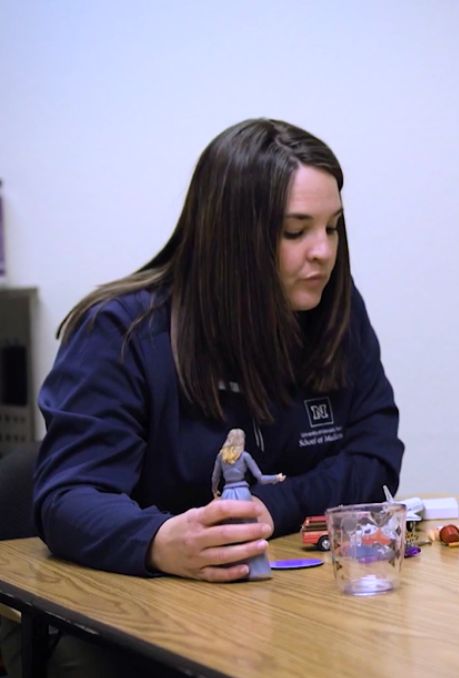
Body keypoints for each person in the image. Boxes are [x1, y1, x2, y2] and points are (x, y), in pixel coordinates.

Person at [33, 118, 405, 582]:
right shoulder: (119, 331)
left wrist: (275, 507)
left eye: (332, 228)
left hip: (298, 594)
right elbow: (68, 497)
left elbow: (375, 454)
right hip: (155, 607)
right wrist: (156, 541)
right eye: (295, 231)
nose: (323, 252)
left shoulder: (335, 310)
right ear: (231, 239)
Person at [211, 428, 286, 580]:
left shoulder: (221, 456)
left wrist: (214, 492)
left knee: (230, 533)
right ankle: (256, 570)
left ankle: (230, 567)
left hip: (227, 495)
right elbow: (260, 477)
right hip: (243, 494)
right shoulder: (245, 456)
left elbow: (215, 478)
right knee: (250, 533)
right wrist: (276, 478)